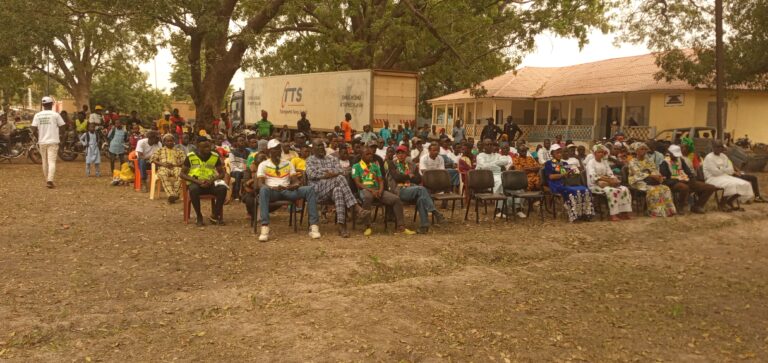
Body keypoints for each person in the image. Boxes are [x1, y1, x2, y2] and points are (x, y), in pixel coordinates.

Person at [305, 140, 370, 237]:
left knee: (338, 191)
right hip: (318, 190)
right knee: (339, 178)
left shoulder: (332, 159)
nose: (321, 148)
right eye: (318, 146)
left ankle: (341, 226)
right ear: (313, 148)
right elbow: (311, 174)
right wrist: (328, 174)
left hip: (332, 189)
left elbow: (341, 171)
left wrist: (328, 173)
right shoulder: (310, 160)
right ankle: (356, 208)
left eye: (322, 146)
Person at [352, 148, 416, 236]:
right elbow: (358, 183)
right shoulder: (356, 166)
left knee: (396, 199)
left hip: (378, 190)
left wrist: (381, 190)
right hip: (365, 190)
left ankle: (401, 227)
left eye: (371, 154)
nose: (370, 156)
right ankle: (367, 226)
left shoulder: (375, 166)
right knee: (368, 197)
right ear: (362, 156)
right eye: (367, 154)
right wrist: (372, 190)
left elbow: (381, 180)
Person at [388, 145, 446, 234]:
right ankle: (434, 211)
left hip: (411, 188)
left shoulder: (411, 164)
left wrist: (407, 177)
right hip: (400, 190)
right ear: (396, 154)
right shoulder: (392, 163)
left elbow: (418, 179)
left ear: (406, 154)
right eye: (398, 153)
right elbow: (396, 177)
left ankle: (424, 226)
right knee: (421, 189)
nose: (400, 155)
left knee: (422, 198)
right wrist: (408, 176)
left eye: (402, 153)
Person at [180, 137, 228, 225]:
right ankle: (199, 216)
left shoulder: (215, 156)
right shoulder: (190, 156)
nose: (208, 149)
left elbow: (222, 173)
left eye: (208, 146)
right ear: (198, 147)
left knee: (222, 189)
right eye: (204, 147)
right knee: (193, 190)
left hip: (211, 183)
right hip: (196, 183)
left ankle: (214, 215)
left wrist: (210, 181)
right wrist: (197, 181)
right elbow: (182, 174)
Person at [543, 144, 594, 222]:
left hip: (567, 183)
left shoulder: (564, 163)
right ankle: (574, 216)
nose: (560, 154)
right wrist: (563, 175)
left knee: (585, 189)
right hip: (556, 185)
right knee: (573, 191)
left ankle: (585, 214)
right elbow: (551, 177)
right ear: (552, 153)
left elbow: (567, 176)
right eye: (557, 153)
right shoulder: (549, 163)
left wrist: (571, 174)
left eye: (560, 152)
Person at [660, 144, 717, 214]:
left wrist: (692, 178)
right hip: (673, 183)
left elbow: (688, 171)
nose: (676, 156)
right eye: (674, 154)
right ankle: (680, 207)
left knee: (710, 187)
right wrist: (678, 180)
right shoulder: (664, 163)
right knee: (684, 188)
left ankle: (697, 206)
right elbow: (665, 179)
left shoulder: (680, 160)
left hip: (685, 180)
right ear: (670, 153)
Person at [476, 139, 523, 217]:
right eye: (487, 144)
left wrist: (491, 165)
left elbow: (505, 161)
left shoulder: (497, 155)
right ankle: (499, 209)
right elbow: (484, 167)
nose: (490, 146)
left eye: (491, 144)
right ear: (484, 146)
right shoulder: (480, 156)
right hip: (486, 177)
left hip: (499, 174)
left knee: (514, 182)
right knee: (501, 183)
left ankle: (517, 208)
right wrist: (497, 165)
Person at [627, 142, 676, 217]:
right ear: (636, 151)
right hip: (637, 181)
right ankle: (654, 212)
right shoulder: (632, 161)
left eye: (645, 149)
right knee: (653, 190)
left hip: (649, 180)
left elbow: (654, 170)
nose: (644, 151)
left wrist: (658, 176)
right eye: (641, 149)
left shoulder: (649, 160)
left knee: (666, 188)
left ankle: (668, 211)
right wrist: (652, 176)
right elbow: (638, 174)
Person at [586, 144, 633, 221]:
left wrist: (614, 179)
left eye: (602, 152)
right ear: (594, 153)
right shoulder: (591, 163)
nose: (601, 154)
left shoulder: (604, 162)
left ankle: (624, 212)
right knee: (611, 191)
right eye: (599, 152)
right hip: (595, 185)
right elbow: (593, 176)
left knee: (624, 189)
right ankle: (613, 214)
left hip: (607, 182)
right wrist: (608, 180)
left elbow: (610, 173)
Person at [703, 141, 754, 211]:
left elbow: (731, 170)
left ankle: (729, 201)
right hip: (712, 178)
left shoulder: (724, 156)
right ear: (713, 148)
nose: (719, 148)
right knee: (730, 185)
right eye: (717, 147)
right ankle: (721, 204)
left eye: (720, 147)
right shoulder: (709, 157)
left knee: (745, 184)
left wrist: (720, 169)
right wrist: (725, 169)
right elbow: (715, 172)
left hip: (725, 177)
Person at [31, 96, 65, 188]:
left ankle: (47, 180)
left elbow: (33, 130)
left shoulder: (37, 115)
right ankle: (50, 180)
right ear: (51, 104)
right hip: (53, 141)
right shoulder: (56, 115)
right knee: (52, 161)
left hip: (42, 141)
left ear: (43, 105)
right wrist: (61, 138)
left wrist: (39, 137)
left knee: (44, 161)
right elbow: (63, 127)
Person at [151, 134, 186, 203]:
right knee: (162, 174)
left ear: (174, 141)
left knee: (181, 175)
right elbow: (152, 159)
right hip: (164, 167)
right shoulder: (160, 150)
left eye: (171, 141)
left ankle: (174, 194)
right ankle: (171, 195)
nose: (170, 142)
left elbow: (184, 161)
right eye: (168, 141)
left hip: (176, 167)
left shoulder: (179, 150)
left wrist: (176, 164)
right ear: (164, 142)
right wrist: (163, 164)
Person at [229, 135, 249, 201]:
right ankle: (236, 194)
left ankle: (244, 194)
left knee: (246, 174)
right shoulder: (232, 152)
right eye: (240, 141)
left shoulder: (248, 152)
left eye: (243, 141)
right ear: (236, 142)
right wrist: (241, 170)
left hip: (244, 170)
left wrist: (244, 170)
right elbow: (232, 165)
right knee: (238, 174)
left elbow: (248, 164)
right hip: (234, 170)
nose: (242, 142)